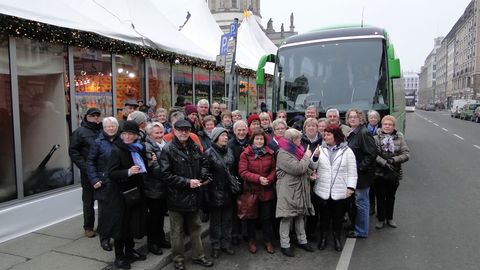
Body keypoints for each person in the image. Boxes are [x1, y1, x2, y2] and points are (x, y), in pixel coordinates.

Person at [159, 119, 214, 270]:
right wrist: (187, 182)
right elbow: (165, 175)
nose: (183, 132)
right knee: (176, 231)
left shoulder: (194, 146)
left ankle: (199, 255)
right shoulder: (168, 149)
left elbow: (204, 163)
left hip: (194, 195)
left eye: (186, 130)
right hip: (176, 197)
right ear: (174, 131)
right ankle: (178, 259)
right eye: (180, 130)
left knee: (196, 227)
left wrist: (202, 177)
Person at [104, 121, 149, 269]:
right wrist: (128, 172)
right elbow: (111, 173)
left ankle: (130, 251)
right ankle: (119, 257)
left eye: (131, 134)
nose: (128, 137)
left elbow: (143, 168)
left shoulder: (138, 148)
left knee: (132, 224)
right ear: (121, 135)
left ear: (137, 135)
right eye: (125, 134)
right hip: (120, 195)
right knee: (121, 226)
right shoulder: (117, 150)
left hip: (135, 192)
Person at [312, 125, 357, 252]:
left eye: (328, 134)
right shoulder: (320, 148)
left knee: (337, 218)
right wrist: (315, 157)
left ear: (335, 136)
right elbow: (312, 166)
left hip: (340, 190)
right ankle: (323, 238)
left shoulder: (347, 151)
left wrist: (350, 187)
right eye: (324, 135)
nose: (325, 137)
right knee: (324, 218)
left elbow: (352, 171)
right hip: (322, 190)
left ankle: (337, 238)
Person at [275, 129, 317, 257]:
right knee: (287, 216)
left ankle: (302, 241)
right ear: (292, 140)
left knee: (300, 215)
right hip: (288, 190)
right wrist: (306, 156)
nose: (301, 141)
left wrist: (310, 174)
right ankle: (285, 244)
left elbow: (307, 168)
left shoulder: (297, 151)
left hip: (300, 188)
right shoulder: (282, 153)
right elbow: (297, 169)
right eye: (298, 139)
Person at [239, 128, 276, 255]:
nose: (259, 141)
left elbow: (274, 169)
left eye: (261, 139)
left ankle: (268, 241)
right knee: (251, 218)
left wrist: (269, 179)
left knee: (266, 218)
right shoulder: (245, 153)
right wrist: (258, 179)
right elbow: (243, 172)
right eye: (257, 139)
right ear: (252, 140)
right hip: (251, 191)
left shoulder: (270, 153)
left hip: (266, 190)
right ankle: (251, 241)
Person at [86, 116, 120, 251]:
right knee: (104, 213)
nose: (111, 129)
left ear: (117, 127)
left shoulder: (121, 140)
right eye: (108, 127)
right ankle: (104, 238)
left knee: (118, 211)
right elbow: (90, 162)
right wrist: (94, 179)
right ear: (104, 128)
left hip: (118, 182)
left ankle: (117, 234)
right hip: (103, 183)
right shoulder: (98, 142)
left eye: (113, 126)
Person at [69, 107, 103, 238]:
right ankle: (88, 227)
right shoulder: (79, 132)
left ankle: (102, 225)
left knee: (103, 200)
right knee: (88, 201)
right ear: (86, 117)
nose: (95, 118)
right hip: (87, 172)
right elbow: (74, 152)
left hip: (101, 171)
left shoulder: (102, 130)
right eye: (92, 115)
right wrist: (85, 167)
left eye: (97, 115)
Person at [202, 127, 236, 258]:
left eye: (226, 136)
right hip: (214, 192)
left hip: (228, 192)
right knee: (215, 222)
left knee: (227, 220)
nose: (226, 138)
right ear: (216, 138)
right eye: (222, 136)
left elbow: (232, 169)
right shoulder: (209, 153)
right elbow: (204, 173)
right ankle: (215, 246)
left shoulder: (230, 152)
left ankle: (225, 244)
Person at [345, 108, 377, 239]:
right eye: (350, 117)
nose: (353, 119)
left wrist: (359, 168)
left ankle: (361, 230)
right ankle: (356, 225)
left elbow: (371, 154)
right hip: (354, 175)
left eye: (355, 117)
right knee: (356, 202)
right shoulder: (352, 132)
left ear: (361, 118)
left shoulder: (364, 133)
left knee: (362, 202)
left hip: (361, 176)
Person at [373, 115, 410, 229]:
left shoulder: (400, 138)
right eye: (385, 124)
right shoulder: (375, 138)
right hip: (379, 172)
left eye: (390, 124)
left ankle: (390, 218)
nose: (387, 126)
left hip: (394, 172)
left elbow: (406, 154)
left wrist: (394, 160)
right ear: (382, 125)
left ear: (393, 126)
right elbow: (373, 154)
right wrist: (384, 162)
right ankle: (380, 219)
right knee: (380, 196)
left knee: (391, 197)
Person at [144, 122, 171, 256]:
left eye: (161, 132)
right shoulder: (147, 147)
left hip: (164, 188)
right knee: (154, 218)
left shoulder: (164, 143)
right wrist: (170, 173)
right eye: (156, 133)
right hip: (153, 188)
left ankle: (160, 239)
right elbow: (154, 169)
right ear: (150, 134)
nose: (160, 135)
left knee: (160, 216)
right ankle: (152, 243)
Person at [301, 118, 323, 241]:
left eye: (313, 126)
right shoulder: (300, 141)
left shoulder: (323, 141)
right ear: (305, 128)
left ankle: (311, 231)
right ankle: (301, 232)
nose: (311, 128)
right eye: (308, 126)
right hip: (304, 177)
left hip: (319, 177)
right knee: (303, 205)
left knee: (315, 205)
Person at [228, 120, 249, 245]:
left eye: (243, 130)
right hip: (235, 181)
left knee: (248, 208)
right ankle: (235, 233)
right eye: (239, 130)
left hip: (248, 180)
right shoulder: (230, 144)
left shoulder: (251, 142)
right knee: (235, 209)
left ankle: (246, 233)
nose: (241, 132)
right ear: (235, 131)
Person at [366, 110, 381, 215]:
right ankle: (369, 205)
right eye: (371, 118)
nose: (373, 119)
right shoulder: (364, 129)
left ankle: (374, 206)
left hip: (377, 160)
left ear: (378, 119)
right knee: (368, 186)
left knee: (376, 186)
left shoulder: (381, 129)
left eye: (375, 118)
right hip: (367, 159)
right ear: (368, 119)